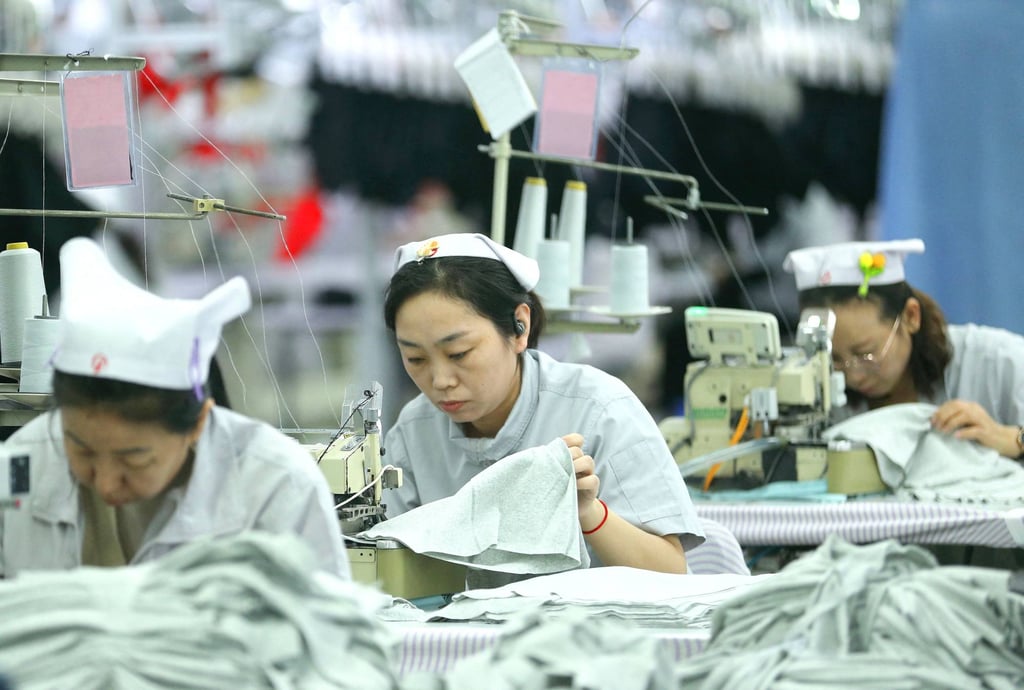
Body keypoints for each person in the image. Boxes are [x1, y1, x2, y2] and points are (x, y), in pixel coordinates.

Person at [0, 237, 350, 578]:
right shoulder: (20, 465)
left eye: (133, 458)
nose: (106, 485)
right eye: (81, 451)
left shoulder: (278, 488)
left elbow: (327, 632)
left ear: (197, 423)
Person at [381, 232, 704, 574]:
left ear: (520, 327)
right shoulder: (413, 434)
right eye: (415, 358)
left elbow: (671, 572)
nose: (440, 380)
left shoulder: (599, 412)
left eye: (459, 353)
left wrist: (589, 514)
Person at [784, 238, 1024, 459]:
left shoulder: (998, 361)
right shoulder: (814, 387)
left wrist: (1012, 439)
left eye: (865, 353)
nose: (853, 375)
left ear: (911, 316)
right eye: (834, 359)